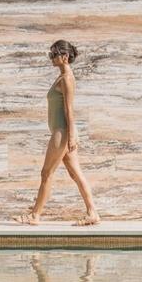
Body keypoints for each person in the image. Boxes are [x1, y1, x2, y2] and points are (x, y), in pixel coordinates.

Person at [17, 39, 100, 225]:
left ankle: (35, 215)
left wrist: (70, 136)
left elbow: (69, 110)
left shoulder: (67, 79)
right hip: (62, 131)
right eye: (50, 54)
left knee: (46, 173)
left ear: (65, 57)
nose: (51, 58)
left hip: (62, 132)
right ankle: (92, 212)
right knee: (75, 173)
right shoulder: (62, 77)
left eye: (54, 54)